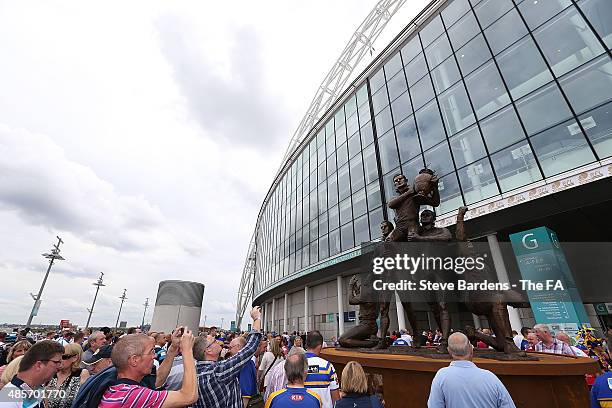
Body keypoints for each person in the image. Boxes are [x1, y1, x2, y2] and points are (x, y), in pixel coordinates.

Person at [98, 330, 197, 408]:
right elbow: (188, 396)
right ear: (134, 360)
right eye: (151, 351)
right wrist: (187, 350)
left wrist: (173, 348)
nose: (154, 356)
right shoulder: (132, 395)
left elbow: (157, 381)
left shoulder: (120, 388)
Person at [192, 307, 263, 408]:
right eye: (214, 341)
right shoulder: (217, 371)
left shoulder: (193, 373)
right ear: (208, 350)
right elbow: (250, 348)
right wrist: (256, 319)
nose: (219, 342)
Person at [427, 332, 515, 408]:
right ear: (471, 349)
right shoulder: (490, 377)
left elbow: (434, 405)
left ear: (449, 351)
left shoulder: (441, 376)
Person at [0, 340, 64, 408]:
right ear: (39, 365)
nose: (61, 366)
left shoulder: (36, 388)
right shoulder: (9, 397)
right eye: (57, 362)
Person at [46, 343, 89, 408]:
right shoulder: (52, 372)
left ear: (75, 358)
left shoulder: (82, 374)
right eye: (58, 357)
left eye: (63, 357)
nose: (59, 360)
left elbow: (85, 401)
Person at [304, 331, 339, 408]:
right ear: (320, 346)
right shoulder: (327, 366)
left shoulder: (296, 363)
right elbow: (336, 397)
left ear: (306, 344)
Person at [228, 336, 257, 407]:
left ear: (238, 347)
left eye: (230, 348)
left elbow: (245, 394)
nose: (229, 351)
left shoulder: (244, 365)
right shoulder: (248, 362)